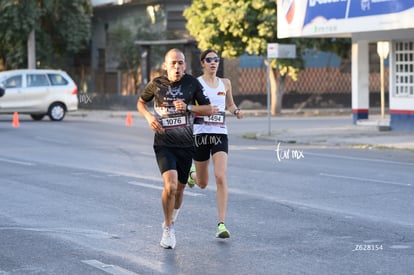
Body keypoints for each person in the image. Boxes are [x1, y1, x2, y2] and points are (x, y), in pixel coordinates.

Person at [137, 48, 217, 249]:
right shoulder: (156, 84)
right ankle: (168, 229)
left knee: (180, 190)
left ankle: (170, 219)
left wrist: (188, 108)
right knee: (170, 186)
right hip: (164, 144)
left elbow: (209, 109)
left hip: (186, 145)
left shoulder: (192, 84)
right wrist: (148, 117)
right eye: (173, 63)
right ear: (165, 66)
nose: (177, 66)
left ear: (185, 65)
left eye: (180, 63)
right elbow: (140, 102)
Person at [187, 49, 243, 239]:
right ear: (202, 63)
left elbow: (230, 104)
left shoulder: (225, 83)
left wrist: (236, 112)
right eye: (209, 60)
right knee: (203, 183)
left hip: (219, 134)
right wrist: (202, 111)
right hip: (201, 135)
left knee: (220, 176)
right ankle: (191, 174)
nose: (213, 63)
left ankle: (221, 224)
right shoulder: (196, 83)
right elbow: (189, 108)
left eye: (216, 60)